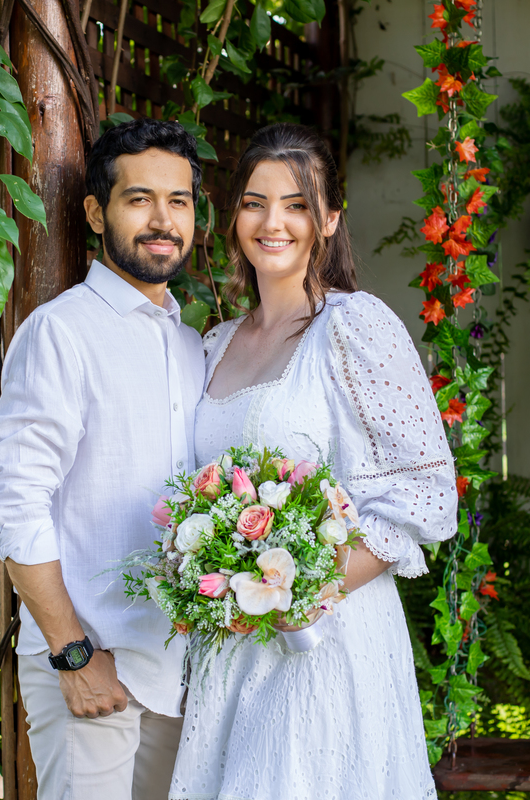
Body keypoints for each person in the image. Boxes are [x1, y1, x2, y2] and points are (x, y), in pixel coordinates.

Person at [168, 123, 459, 800]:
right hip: (230, 648)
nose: (273, 223)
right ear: (235, 215)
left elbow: (423, 493)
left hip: (328, 641)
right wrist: (227, 587)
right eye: (255, 203)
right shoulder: (213, 344)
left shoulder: (354, 327)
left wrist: (293, 597)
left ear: (329, 220)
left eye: (296, 205)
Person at [0, 117, 205, 800]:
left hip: (177, 670)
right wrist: (72, 654)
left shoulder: (191, 345)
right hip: (89, 662)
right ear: (95, 212)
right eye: (139, 199)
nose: (163, 220)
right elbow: (14, 502)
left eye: (179, 201)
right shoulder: (62, 334)